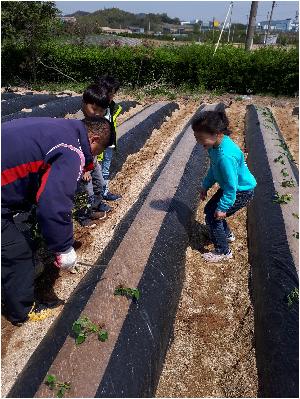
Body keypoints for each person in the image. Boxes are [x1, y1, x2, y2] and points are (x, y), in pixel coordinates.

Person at [2, 116, 112, 325]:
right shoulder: (73, 151)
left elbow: (35, 171)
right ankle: (21, 312)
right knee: (17, 252)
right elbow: (53, 204)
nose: (92, 159)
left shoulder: (62, 127)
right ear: (94, 139)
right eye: (96, 153)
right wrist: (63, 248)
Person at [192, 110, 257, 263]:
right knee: (209, 210)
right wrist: (205, 186)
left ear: (217, 133)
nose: (199, 143)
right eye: (196, 138)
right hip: (232, 188)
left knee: (214, 217)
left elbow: (231, 186)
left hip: (241, 191)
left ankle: (223, 251)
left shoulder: (225, 157)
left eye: (201, 138)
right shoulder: (215, 147)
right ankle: (226, 234)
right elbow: (214, 170)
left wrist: (223, 208)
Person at [75, 84, 112, 226]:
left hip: (93, 161)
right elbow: (77, 150)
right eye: (94, 109)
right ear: (84, 103)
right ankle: (83, 215)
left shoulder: (96, 120)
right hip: (82, 165)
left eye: (101, 111)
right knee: (85, 191)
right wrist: (84, 169)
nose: (97, 113)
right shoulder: (77, 122)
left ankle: (94, 206)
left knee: (100, 184)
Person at [96, 75, 123, 203]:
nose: (112, 95)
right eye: (110, 93)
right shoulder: (95, 107)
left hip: (109, 144)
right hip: (98, 146)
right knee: (96, 170)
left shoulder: (113, 107)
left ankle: (105, 192)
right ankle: (96, 197)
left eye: (113, 93)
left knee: (106, 169)